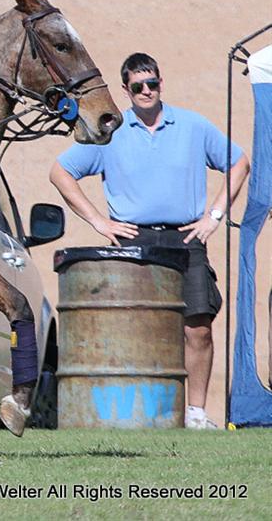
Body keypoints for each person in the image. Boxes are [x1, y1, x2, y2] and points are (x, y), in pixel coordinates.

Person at [50, 52, 250, 429]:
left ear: (161, 83)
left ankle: (195, 414)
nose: (146, 91)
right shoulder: (110, 130)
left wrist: (214, 216)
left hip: (185, 238)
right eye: (138, 86)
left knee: (198, 328)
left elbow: (238, 163)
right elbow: (60, 172)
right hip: (132, 243)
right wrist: (99, 222)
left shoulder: (192, 126)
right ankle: (137, 417)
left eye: (152, 83)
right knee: (132, 328)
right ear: (125, 90)